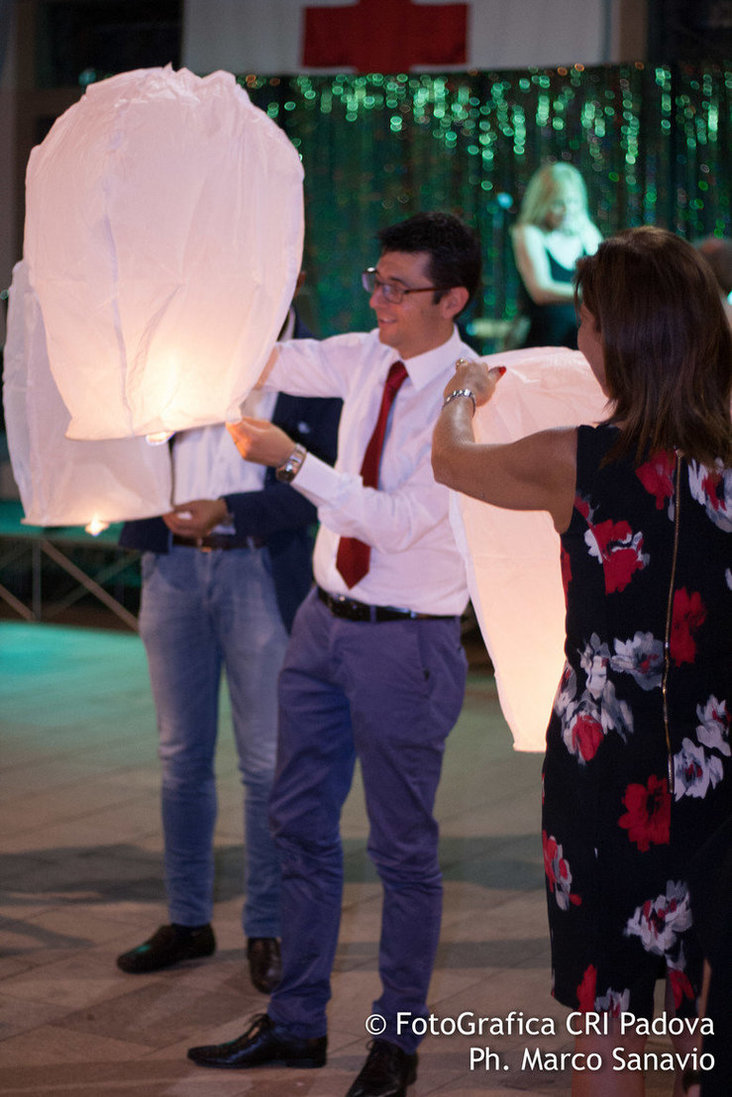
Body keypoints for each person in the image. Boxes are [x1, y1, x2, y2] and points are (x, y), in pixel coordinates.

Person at [186, 211, 481, 1097]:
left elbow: (397, 520)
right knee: (300, 824)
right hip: (323, 622)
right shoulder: (362, 357)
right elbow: (266, 358)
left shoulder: (473, 395)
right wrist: (209, 288)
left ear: (452, 299)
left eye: (399, 288)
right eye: (375, 282)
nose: (379, 300)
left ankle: (396, 1041)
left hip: (408, 637)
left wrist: (293, 464)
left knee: (402, 851)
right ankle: (296, 1021)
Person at [432, 226, 731, 1097]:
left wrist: (463, 390)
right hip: (718, 760)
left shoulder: (578, 457)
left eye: (588, 324)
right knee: (708, 988)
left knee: (608, 1012)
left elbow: (451, 458)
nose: (580, 340)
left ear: (620, 339)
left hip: (606, 770)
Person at [115, 304, 341, 995]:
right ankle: (188, 918)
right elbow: (127, 442)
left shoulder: (316, 365)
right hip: (171, 565)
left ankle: (266, 925)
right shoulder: (175, 341)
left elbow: (323, 485)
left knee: (266, 761)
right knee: (180, 756)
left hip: (257, 564)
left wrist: (233, 511)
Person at [511, 162, 602, 349]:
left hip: (584, 344)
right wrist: (590, 293)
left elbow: (606, 279)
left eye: (573, 202)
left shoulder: (587, 232)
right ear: (542, 204)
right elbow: (541, 291)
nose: (568, 210)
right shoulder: (529, 233)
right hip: (544, 342)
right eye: (558, 204)